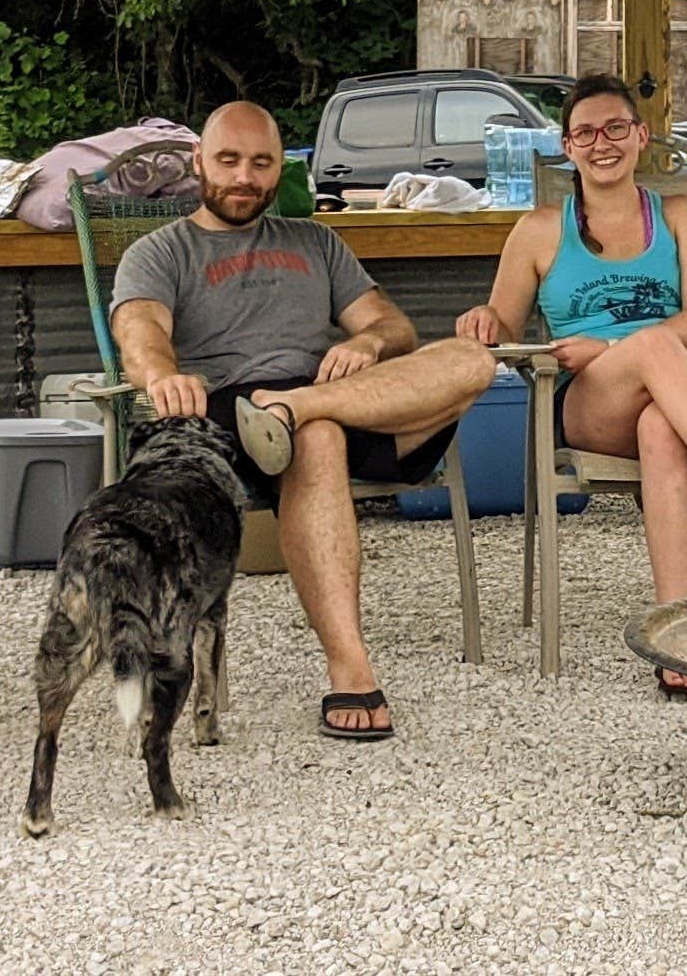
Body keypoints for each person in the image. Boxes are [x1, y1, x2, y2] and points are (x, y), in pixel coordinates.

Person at [108, 100, 493, 741]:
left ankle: (299, 408)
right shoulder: (161, 251)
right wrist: (159, 376)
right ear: (199, 162)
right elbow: (140, 329)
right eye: (228, 160)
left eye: (261, 163)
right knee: (314, 437)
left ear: (278, 169)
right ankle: (350, 667)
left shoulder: (316, 242)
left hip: (334, 397)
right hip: (236, 417)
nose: (244, 177)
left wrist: (366, 345)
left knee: (471, 360)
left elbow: (391, 324)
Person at [457, 75, 687, 697]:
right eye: (585, 133)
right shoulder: (542, 230)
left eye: (615, 128)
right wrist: (484, 321)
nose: (602, 143)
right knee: (654, 341)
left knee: (663, 424)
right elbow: (506, 330)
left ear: (640, 135)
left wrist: (617, 344)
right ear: (567, 147)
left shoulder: (683, 214)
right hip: (592, 402)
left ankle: (673, 633)